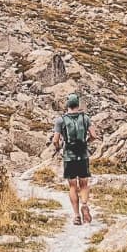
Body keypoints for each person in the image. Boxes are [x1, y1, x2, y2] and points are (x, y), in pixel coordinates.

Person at [52, 93, 98, 224]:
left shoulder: (60, 120)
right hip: (83, 155)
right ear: (78, 104)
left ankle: (77, 215)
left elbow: (55, 140)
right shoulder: (85, 118)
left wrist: (59, 147)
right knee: (84, 183)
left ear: (67, 105)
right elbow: (94, 135)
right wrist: (87, 142)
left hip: (69, 156)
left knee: (72, 186)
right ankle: (84, 205)